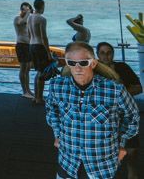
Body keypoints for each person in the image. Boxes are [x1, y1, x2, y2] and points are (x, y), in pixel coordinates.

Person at [46, 41, 139, 179]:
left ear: (93, 63)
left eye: (83, 63)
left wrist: (121, 142)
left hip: (102, 167)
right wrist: (57, 133)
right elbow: (51, 110)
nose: (77, 68)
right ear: (67, 63)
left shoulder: (114, 89)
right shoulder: (56, 86)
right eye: (72, 63)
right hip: (68, 164)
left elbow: (132, 116)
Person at [97, 41, 142, 179]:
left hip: (125, 114)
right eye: (102, 53)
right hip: (103, 117)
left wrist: (121, 91)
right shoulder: (92, 71)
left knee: (132, 150)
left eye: (109, 52)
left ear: (113, 54)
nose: (106, 56)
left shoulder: (122, 67)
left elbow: (138, 88)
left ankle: (132, 172)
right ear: (97, 55)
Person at [28, 0, 52, 105]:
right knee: (42, 73)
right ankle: (39, 98)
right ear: (42, 6)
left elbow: (29, 34)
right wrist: (48, 52)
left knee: (38, 72)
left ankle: (35, 97)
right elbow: (44, 37)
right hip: (39, 46)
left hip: (31, 45)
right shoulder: (42, 19)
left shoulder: (30, 17)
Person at [14, 1, 34, 99]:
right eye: (22, 9)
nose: (24, 11)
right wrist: (27, 13)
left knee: (28, 69)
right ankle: (24, 91)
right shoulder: (18, 18)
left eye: (25, 9)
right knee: (23, 68)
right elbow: (20, 23)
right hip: (21, 45)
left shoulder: (29, 20)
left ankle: (28, 90)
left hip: (28, 46)